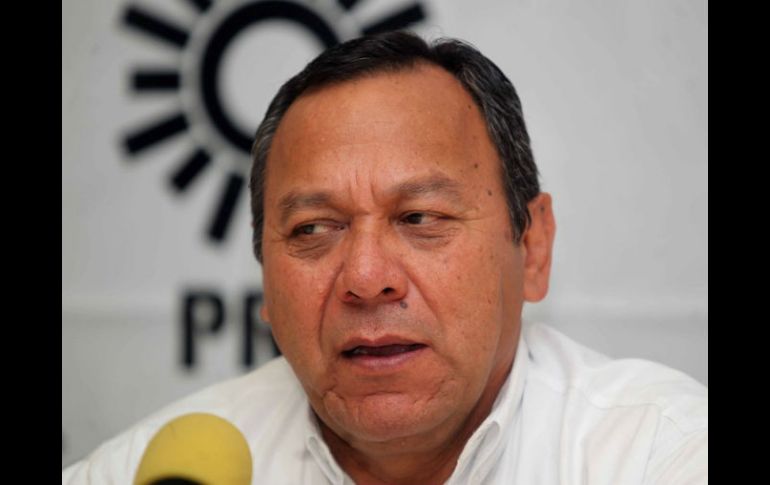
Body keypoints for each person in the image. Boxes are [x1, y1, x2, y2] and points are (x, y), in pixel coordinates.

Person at [63, 31, 707, 484]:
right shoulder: (149, 473)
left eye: (419, 218)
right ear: (265, 277)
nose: (367, 279)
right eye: (314, 228)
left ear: (532, 248)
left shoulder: (662, 455)